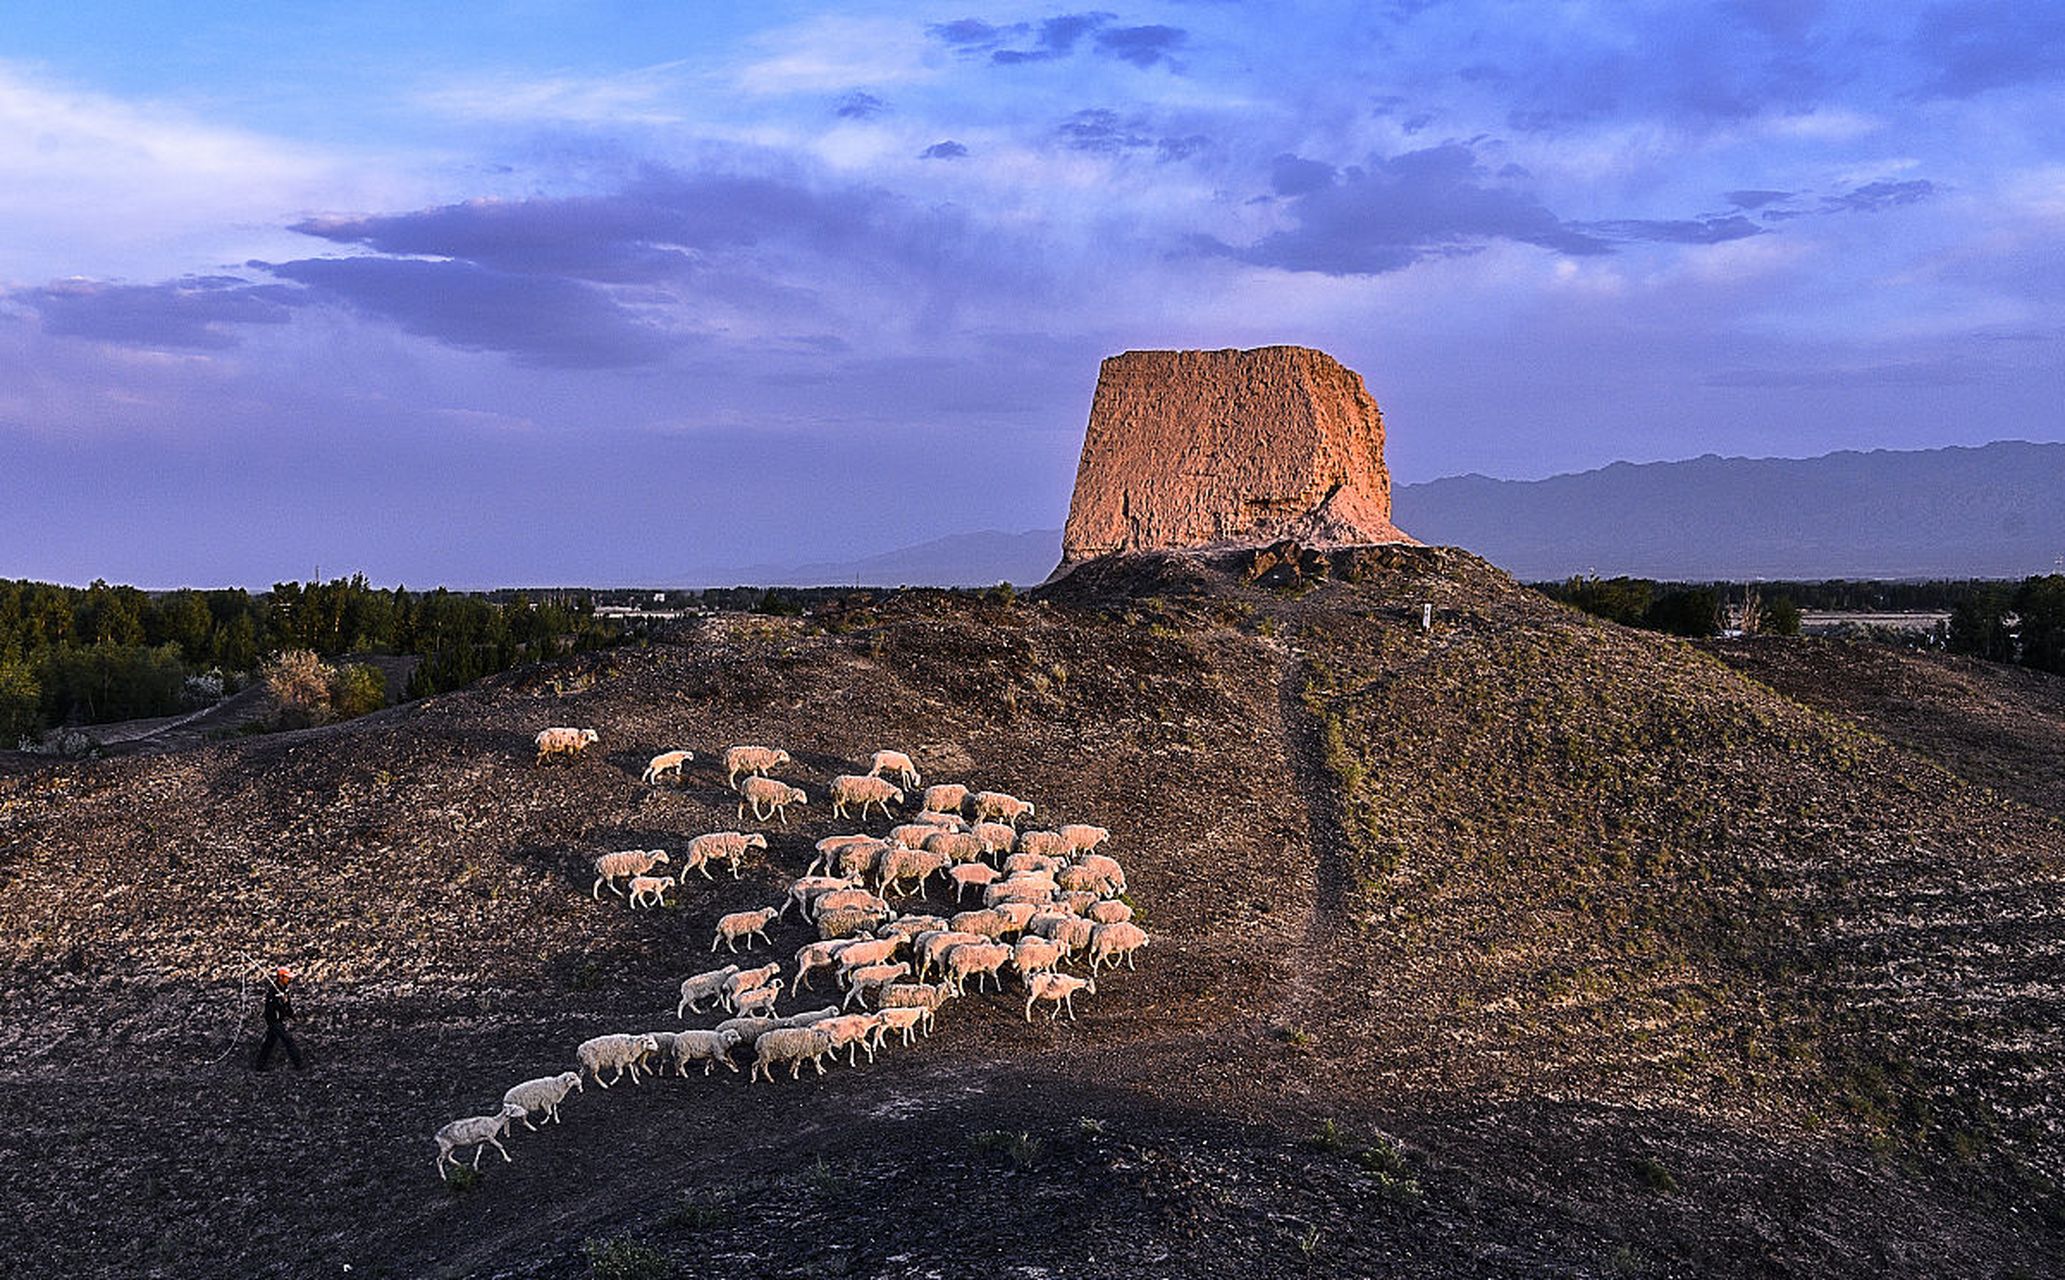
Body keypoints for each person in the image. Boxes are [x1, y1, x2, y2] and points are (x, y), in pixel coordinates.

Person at [254, 967, 305, 1071]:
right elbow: (270, 1009)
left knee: (269, 1042)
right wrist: (280, 1002)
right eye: (287, 977)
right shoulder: (273, 991)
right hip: (273, 1020)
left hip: (279, 1020)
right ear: (281, 977)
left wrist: (291, 1015)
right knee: (287, 1040)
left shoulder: (285, 989)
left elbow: (287, 1005)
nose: (289, 979)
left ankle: (259, 1066)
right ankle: (299, 1064)